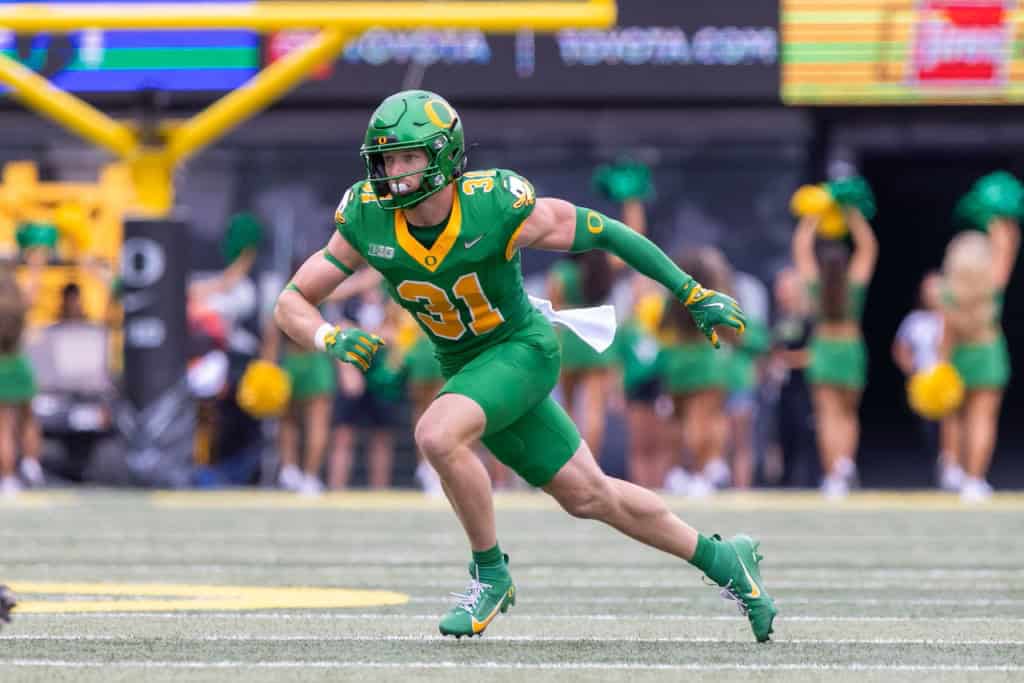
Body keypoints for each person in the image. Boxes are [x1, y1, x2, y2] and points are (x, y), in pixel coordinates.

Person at [274, 90, 775, 641]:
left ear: (443, 156)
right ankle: (725, 560)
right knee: (590, 495)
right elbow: (291, 300)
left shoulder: (495, 205)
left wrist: (689, 289)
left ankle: (490, 575)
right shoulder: (367, 217)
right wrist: (327, 334)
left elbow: (604, 230)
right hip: (468, 367)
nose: (393, 172)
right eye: (387, 159)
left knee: (438, 435)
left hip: (522, 350)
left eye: (408, 158)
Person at [792, 208, 878, 498]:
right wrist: (851, 213)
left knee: (827, 415)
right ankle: (844, 464)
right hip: (851, 350)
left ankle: (833, 477)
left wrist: (814, 214)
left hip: (824, 350)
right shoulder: (854, 285)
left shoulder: (816, 285)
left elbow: (801, 247)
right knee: (849, 414)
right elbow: (868, 248)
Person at [940, 220, 1019, 502]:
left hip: (960, 355)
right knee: (982, 419)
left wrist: (941, 366)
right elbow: (1008, 248)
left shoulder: (947, 291)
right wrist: (997, 219)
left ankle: (956, 469)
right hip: (987, 354)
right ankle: (974, 480)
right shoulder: (992, 281)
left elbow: (946, 334)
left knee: (957, 418)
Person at [658, 248, 731, 497]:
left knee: (680, 421)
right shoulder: (712, 297)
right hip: (705, 358)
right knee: (703, 420)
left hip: (679, 359)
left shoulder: (675, 295)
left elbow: (662, 326)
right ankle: (702, 472)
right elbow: (730, 331)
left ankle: (681, 471)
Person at [892, 272, 961, 490]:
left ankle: (952, 465)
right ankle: (938, 463)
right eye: (928, 289)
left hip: (949, 380)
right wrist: (911, 372)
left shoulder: (953, 317)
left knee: (953, 423)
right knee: (929, 431)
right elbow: (900, 349)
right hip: (923, 380)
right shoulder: (915, 320)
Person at [547, 252, 618, 460]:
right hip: (597, 339)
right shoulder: (605, 267)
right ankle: (592, 463)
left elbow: (552, 311)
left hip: (569, 341)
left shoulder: (561, 272)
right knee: (594, 410)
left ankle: (570, 461)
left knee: (568, 408)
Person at [769, 267, 818, 488]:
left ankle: (812, 482)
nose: (781, 292)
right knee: (782, 434)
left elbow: (815, 354)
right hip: (783, 388)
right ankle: (785, 482)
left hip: (805, 387)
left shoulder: (810, 318)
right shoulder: (779, 318)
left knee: (805, 433)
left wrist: (786, 359)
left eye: (786, 287)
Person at [0, 265, 36, 495]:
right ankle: (32, 462)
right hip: (20, 365)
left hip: (1, 366)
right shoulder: (18, 305)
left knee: (4, 427)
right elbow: (33, 293)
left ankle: (9, 476)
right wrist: (37, 265)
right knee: (28, 418)